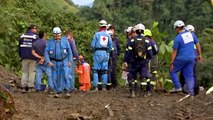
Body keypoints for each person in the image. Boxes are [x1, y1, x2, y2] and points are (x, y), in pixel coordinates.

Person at [169, 20, 202, 97]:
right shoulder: (191, 35)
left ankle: (178, 87)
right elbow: (197, 44)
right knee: (189, 76)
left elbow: (174, 51)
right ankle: (191, 93)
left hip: (181, 59)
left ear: (177, 28)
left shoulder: (177, 38)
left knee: (172, 71)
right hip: (191, 59)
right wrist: (199, 55)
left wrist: (171, 63)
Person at [125, 23, 153, 97]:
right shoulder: (147, 41)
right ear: (143, 31)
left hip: (134, 61)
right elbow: (150, 53)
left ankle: (132, 93)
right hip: (143, 62)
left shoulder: (132, 40)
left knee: (132, 76)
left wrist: (127, 61)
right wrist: (147, 59)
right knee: (143, 77)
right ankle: (144, 93)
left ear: (136, 31)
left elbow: (128, 52)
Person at [44, 27, 73, 98]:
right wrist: (48, 61)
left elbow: (69, 51)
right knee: (55, 77)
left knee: (66, 75)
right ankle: (58, 91)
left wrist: (70, 61)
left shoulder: (65, 41)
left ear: (60, 34)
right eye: (55, 35)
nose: (57, 36)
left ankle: (67, 90)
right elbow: (46, 52)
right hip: (54, 62)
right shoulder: (49, 42)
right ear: (53, 35)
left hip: (64, 60)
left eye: (58, 35)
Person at [91, 20, 112, 91]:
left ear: (99, 27)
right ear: (105, 27)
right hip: (105, 53)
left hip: (98, 52)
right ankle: (104, 87)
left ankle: (95, 86)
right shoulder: (108, 35)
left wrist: (94, 51)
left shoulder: (96, 34)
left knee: (95, 70)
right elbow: (110, 46)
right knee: (104, 71)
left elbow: (93, 45)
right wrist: (107, 52)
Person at [179, 24, 200, 95]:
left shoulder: (186, 38)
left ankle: (184, 89)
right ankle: (195, 90)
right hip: (194, 58)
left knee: (183, 74)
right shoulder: (194, 38)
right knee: (193, 74)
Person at [18, 24, 39, 93]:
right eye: (35, 29)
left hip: (24, 57)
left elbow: (19, 48)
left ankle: (23, 87)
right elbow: (37, 47)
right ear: (32, 29)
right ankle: (30, 87)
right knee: (32, 72)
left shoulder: (22, 36)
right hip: (33, 57)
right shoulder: (35, 37)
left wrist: (21, 56)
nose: (36, 30)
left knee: (25, 72)